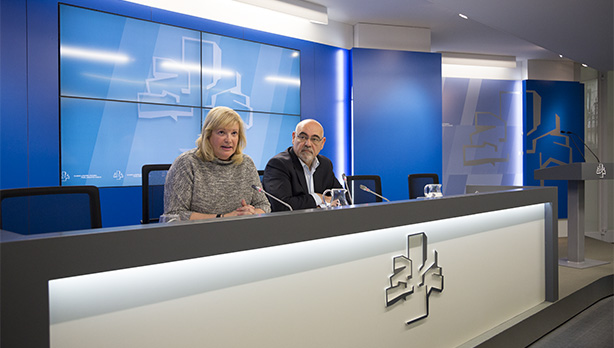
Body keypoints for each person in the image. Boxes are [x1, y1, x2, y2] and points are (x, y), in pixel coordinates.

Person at [164, 106, 270, 220]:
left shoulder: (246, 163)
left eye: (234, 133)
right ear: (208, 135)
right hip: (199, 235)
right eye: (221, 132)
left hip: (241, 233)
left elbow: (263, 205)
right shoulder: (187, 163)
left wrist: (252, 213)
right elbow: (174, 215)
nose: (229, 140)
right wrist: (223, 217)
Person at [263, 119, 343, 211]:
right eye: (303, 137)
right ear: (293, 138)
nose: (308, 144)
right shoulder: (279, 164)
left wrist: (319, 206)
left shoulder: (325, 164)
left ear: (322, 143)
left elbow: (340, 197)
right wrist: (318, 197)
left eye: (314, 139)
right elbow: (282, 205)